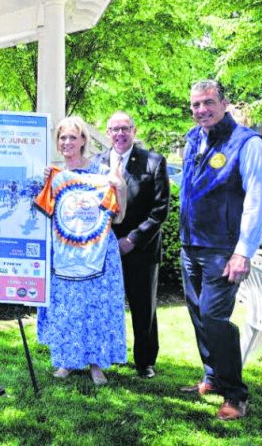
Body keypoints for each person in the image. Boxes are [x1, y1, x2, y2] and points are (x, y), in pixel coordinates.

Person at [179, 80, 262, 420]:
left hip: (222, 249)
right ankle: (212, 377)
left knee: (215, 318)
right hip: (191, 245)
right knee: (199, 316)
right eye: (195, 105)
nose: (201, 110)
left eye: (207, 103)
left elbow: (257, 201)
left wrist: (242, 252)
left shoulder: (247, 143)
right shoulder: (193, 138)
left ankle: (236, 394)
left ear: (224, 102)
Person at [35, 116, 127, 385]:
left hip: (98, 253)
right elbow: (44, 213)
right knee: (66, 306)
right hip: (64, 253)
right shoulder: (54, 176)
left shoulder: (102, 172)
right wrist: (45, 184)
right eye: (62, 138)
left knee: (95, 306)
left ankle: (96, 364)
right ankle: (66, 361)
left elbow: (118, 218)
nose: (67, 143)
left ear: (84, 140)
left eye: (73, 137)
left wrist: (119, 187)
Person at [96, 111, 169, 379]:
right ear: (107, 133)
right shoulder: (98, 162)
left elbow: (160, 210)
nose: (120, 134)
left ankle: (145, 361)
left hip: (141, 249)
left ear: (134, 131)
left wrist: (133, 240)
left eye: (125, 128)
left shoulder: (153, 162)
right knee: (104, 305)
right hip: (104, 247)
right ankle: (103, 356)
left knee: (143, 307)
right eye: (114, 129)